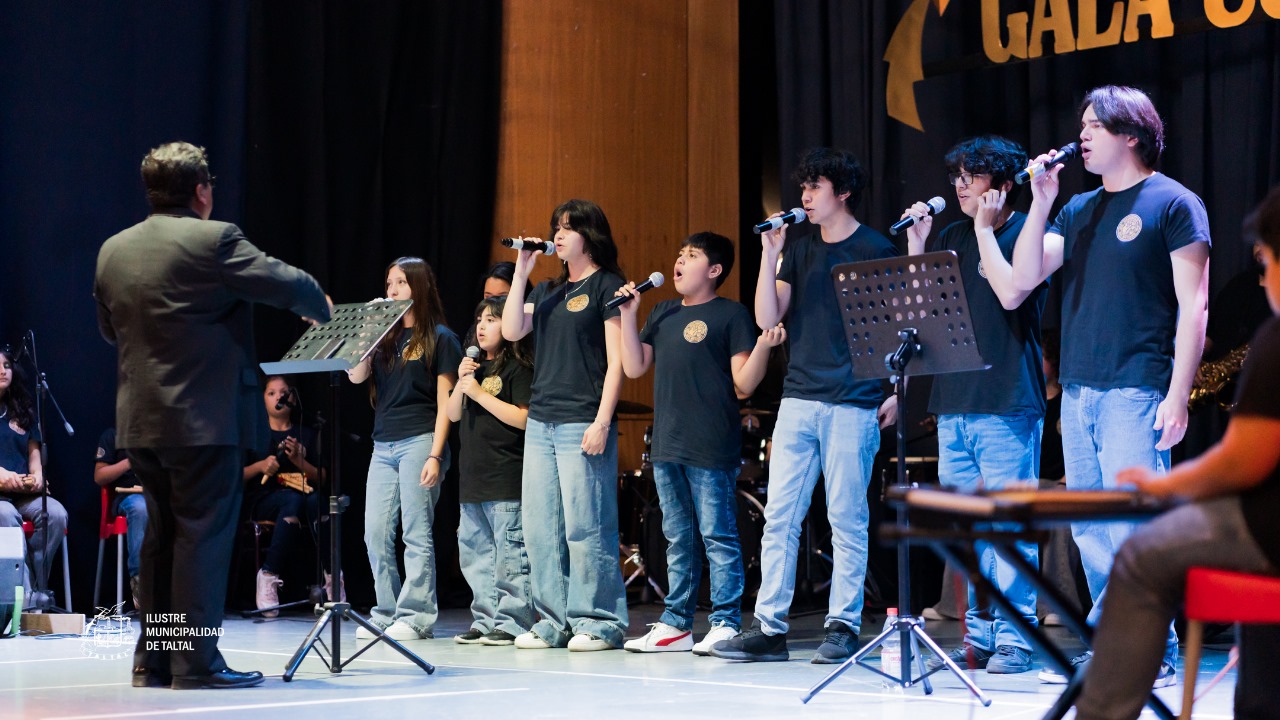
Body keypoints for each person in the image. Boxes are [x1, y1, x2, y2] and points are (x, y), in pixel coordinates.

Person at [94, 141, 330, 689]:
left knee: (164, 539)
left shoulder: (113, 250)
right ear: (202, 191)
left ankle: (156, 660)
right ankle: (194, 664)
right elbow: (288, 283)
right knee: (199, 537)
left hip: (141, 423)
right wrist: (319, 306)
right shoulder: (214, 239)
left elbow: (111, 331)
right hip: (201, 423)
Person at [1011, 85, 1211, 686]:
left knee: (1130, 526)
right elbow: (1022, 280)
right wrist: (1041, 202)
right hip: (1078, 390)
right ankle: (1114, 645)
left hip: (1136, 386)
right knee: (1090, 526)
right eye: (1082, 124)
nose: (1083, 135)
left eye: (1096, 124)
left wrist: (1178, 392)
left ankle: (1154, 652)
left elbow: (1194, 307)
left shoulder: (1174, 203)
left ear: (1132, 133)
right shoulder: (1077, 209)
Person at [1073, 186, 1280, 720]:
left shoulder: (1276, 342)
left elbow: (1244, 459)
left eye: (1266, 263)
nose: (1262, 280)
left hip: (1271, 528)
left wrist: (1164, 485)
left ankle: (1104, 708)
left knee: (1141, 554)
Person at [711, 148, 899, 664]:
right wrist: (771, 254)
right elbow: (767, 315)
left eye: (815, 188)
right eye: (803, 188)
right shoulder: (799, 250)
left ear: (842, 192)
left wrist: (896, 391)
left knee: (846, 516)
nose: (805, 198)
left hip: (853, 400)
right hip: (798, 396)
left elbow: (899, 329)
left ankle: (842, 624)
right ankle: (769, 626)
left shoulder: (875, 247)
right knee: (780, 516)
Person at [900, 135, 1047, 674]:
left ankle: (1016, 638)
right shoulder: (952, 233)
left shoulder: (1029, 230)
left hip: (1006, 398)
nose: (959, 185)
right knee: (967, 531)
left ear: (1003, 185)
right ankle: (980, 635)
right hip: (955, 400)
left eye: (972, 175)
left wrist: (985, 231)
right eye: (956, 175)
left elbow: (1011, 293)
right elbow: (917, 315)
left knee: (1005, 528)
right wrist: (918, 245)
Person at [615, 231, 784, 654]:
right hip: (668, 443)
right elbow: (634, 367)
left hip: (711, 442)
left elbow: (743, 384)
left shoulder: (732, 315)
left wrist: (763, 346)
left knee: (718, 535)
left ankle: (725, 621)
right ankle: (676, 623)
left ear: (713, 270)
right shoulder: (663, 312)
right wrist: (629, 317)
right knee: (677, 535)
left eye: (690, 255)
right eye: (679, 253)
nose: (679, 260)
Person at [501, 198, 628, 651]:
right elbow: (512, 330)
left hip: (582, 419)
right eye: (555, 226)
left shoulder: (607, 285)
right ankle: (553, 621)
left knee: (586, 525)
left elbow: (617, 362)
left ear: (589, 236)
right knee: (541, 526)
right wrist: (521, 271)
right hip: (542, 419)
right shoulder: (548, 290)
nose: (557, 234)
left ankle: (599, 620)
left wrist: (602, 420)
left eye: (568, 227)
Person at [347, 257, 461, 641]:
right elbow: (355, 375)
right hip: (384, 444)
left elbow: (447, 402)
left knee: (416, 531)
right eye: (389, 282)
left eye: (400, 283)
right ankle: (386, 609)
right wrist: (368, 327)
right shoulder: (385, 339)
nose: (391, 290)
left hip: (420, 440)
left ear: (418, 288)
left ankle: (416, 615)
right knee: (374, 531)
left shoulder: (441, 337)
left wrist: (436, 454)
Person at [446, 296, 535, 646]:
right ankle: (485, 619)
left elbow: (525, 418)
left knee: (510, 556)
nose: (482, 326)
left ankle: (514, 620)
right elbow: (453, 414)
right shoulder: (472, 369)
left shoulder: (518, 367)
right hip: (473, 480)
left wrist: (480, 393)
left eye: (493, 320)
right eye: (480, 319)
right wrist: (463, 381)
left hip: (505, 478)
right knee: (476, 556)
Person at [241, 376, 331, 617]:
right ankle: (268, 574)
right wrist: (260, 466)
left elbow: (321, 479)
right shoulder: (254, 433)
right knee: (294, 500)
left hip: (304, 498)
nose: (279, 397)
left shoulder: (307, 433)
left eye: (284, 392)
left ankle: (331, 577)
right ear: (263, 399)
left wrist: (299, 462)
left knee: (318, 501)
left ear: (293, 397)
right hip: (264, 500)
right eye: (271, 393)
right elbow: (234, 476)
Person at [0, 346, 69, 600]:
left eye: (6, 366)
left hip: (21, 493)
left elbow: (34, 457)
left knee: (56, 513)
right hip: (1, 500)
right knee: (5, 515)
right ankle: (25, 597)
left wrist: (37, 476)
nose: (2, 371)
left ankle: (37, 587)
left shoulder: (22, 411)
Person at [94, 427, 147, 610]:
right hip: (129, 497)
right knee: (141, 508)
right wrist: (129, 462)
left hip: (160, 496)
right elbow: (99, 476)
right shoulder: (113, 435)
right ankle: (141, 584)